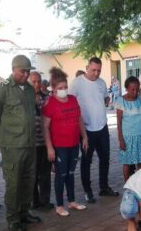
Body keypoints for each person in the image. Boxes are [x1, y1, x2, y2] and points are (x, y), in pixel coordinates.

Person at [0, 55, 42, 231]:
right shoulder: (1, 90)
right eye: (22, 71)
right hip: (12, 145)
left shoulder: (28, 90)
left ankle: (24, 212)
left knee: (28, 179)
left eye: (28, 71)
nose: (26, 75)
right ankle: (13, 218)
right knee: (14, 182)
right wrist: (6, 135)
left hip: (29, 143)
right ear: (13, 70)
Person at [69, 57, 119, 203]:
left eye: (99, 70)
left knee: (105, 159)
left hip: (102, 127)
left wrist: (105, 102)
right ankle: (87, 191)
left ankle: (104, 187)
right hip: (86, 130)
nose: (96, 73)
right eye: (93, 70)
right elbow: (71, 104)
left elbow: (105, 99)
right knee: (86, 160)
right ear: (87, 68)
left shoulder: (102, 83)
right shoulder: (77, 83)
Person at [42, 67, 88, 217]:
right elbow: (45, 127)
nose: (63, 90)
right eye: (60, 88)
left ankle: (72, 201)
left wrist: (85, 136)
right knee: (60, 175)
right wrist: (50, 148)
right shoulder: (50, 104)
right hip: (59, 146)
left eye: (65, 87)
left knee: (70, 173)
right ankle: (60, 205)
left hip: (74, 143)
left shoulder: (73, 100)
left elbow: (79, 119)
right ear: (53, 89)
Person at [115, 76, 141, 181]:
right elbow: (118, 123)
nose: (135, 92)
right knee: (127, 162)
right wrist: (121, 139)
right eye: (132, 89)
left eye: (137, 89)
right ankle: (127, 185)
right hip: (128, 138)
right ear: (127, 89)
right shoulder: (120, 101)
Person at [29, 71, 53, 209]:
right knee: (33, 175)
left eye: (38, 81)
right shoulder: (24, 99)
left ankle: (45, 201)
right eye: (34, 82)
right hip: (31, 144)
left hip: (45, 142)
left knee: (45, 174)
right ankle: (34, 202)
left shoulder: (47, 98)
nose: (37, 84)